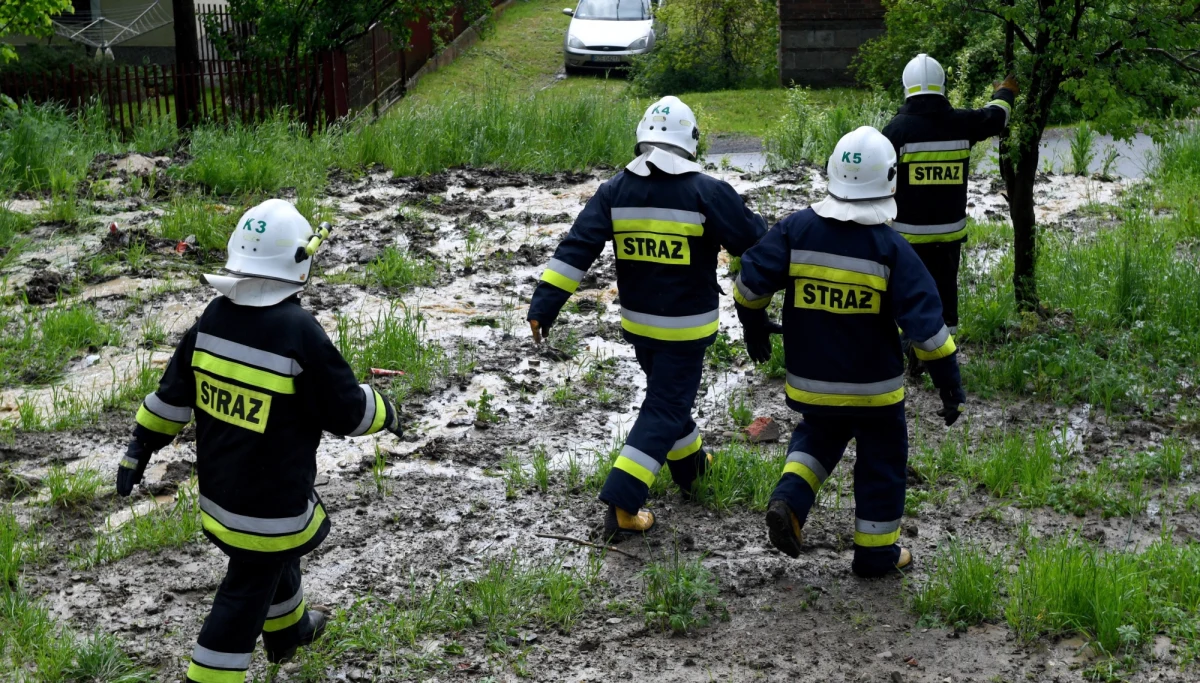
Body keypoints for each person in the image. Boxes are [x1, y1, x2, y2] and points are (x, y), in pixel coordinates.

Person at [114, 199, 404, 683]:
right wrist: (385, 410)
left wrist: (140, 443)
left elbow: (173, 394)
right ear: (299, 263)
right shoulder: (298, 331)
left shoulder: (212, 319)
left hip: (220, 496)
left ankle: (289, 633)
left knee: (269, 560)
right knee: (244, 593)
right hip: (271, 506)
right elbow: (346, 411)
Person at [527, 96, 771, 540]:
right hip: (687, 329)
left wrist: (544, 304)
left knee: (666, 400)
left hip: (639, 325)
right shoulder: (707, 192)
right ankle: (623, 502)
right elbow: (756, 241)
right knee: (665, 407)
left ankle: (693, 470)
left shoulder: (615, 190)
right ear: (690, 141)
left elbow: (577, 247)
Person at [733, 126, 966, 577]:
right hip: (874, 391)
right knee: (883, 461)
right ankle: (876, 554)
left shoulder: (796, 230)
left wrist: (753, 324)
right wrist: (949, 384)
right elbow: (928, 331)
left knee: (817, 439)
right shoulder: (892, 249)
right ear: (890, 181)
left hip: (812, 382)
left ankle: (789, 503)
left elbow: (749, 285)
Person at [882, 53, 1018, 370]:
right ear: (942, 86)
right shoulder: (961, 123)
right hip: (948, 235)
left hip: (909, 239)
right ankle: (941, 359)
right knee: (945, 297)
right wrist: (1006, 91)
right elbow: (997, 116)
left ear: (907, 87)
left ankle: (912, 346)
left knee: (912, 294)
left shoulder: (896, 131)